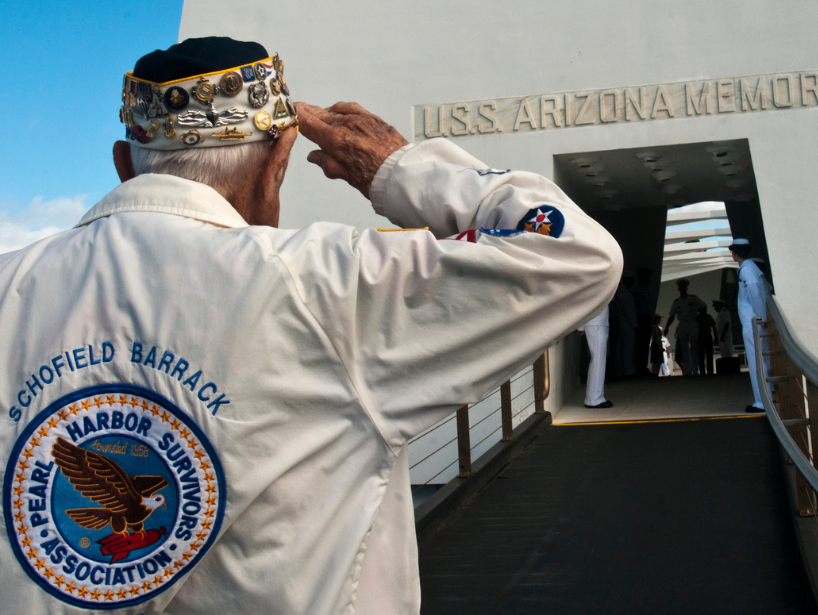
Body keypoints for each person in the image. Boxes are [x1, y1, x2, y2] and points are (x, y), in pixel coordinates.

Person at [0, 38, 622, 614]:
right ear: (278, 160)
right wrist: (399, 169)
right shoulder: (324, 284)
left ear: (123, 164)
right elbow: (577, 257)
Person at [730, 238, 771, 412]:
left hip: (753, 321)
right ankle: (768, 396)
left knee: (756, 362)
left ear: (734, 252)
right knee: (762, 360)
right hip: (756, 320)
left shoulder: (746, 268)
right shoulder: (751, 268)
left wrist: (761, 317)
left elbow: (754, 291)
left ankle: (762, 401)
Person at [663, 278, 706, 376]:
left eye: (683, 287)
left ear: (686, 288)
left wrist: (701, 318)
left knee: (693, 347)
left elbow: (704, 306)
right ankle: (687, 370)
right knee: (684, 348)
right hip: (682, 323)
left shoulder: (693, 298)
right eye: (680, 287)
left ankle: (695, 369)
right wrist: (666, 327)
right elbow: (672, 316)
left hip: (692, 323)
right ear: (678, 289)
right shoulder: (676, 302)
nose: (682, 289)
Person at [578, 306, 613, 408]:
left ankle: (597, 396)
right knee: (598, 362)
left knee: (598, 362)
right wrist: (581, 326)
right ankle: (594, 399)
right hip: (595, 323)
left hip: (598, 322)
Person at [631, 267, 654, 376]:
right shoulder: (638, 290)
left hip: (646, 318)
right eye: (647, 277)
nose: (649, 280)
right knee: (641, 344)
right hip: (641, 318)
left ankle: (642, 366)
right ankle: (639, 368)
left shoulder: (645, 289)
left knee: (645, 344)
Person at [614, 280, 638, 378]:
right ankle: (628, 371)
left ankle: (624, 370)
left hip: (623, 324)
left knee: (624, 349)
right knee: (628, 349)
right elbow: (629, 311)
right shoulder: (624, 294)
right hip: (627, 324)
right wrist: (634, 325)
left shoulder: (620, 293)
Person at [696, 306, 717, 375]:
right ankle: (702, 371)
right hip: (700, 337)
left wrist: (716, 337)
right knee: (701, 356)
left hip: (707, 336)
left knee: (709, 355)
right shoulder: (697, 318)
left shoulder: (708, 317)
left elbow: (714, 327)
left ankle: (710, 371)